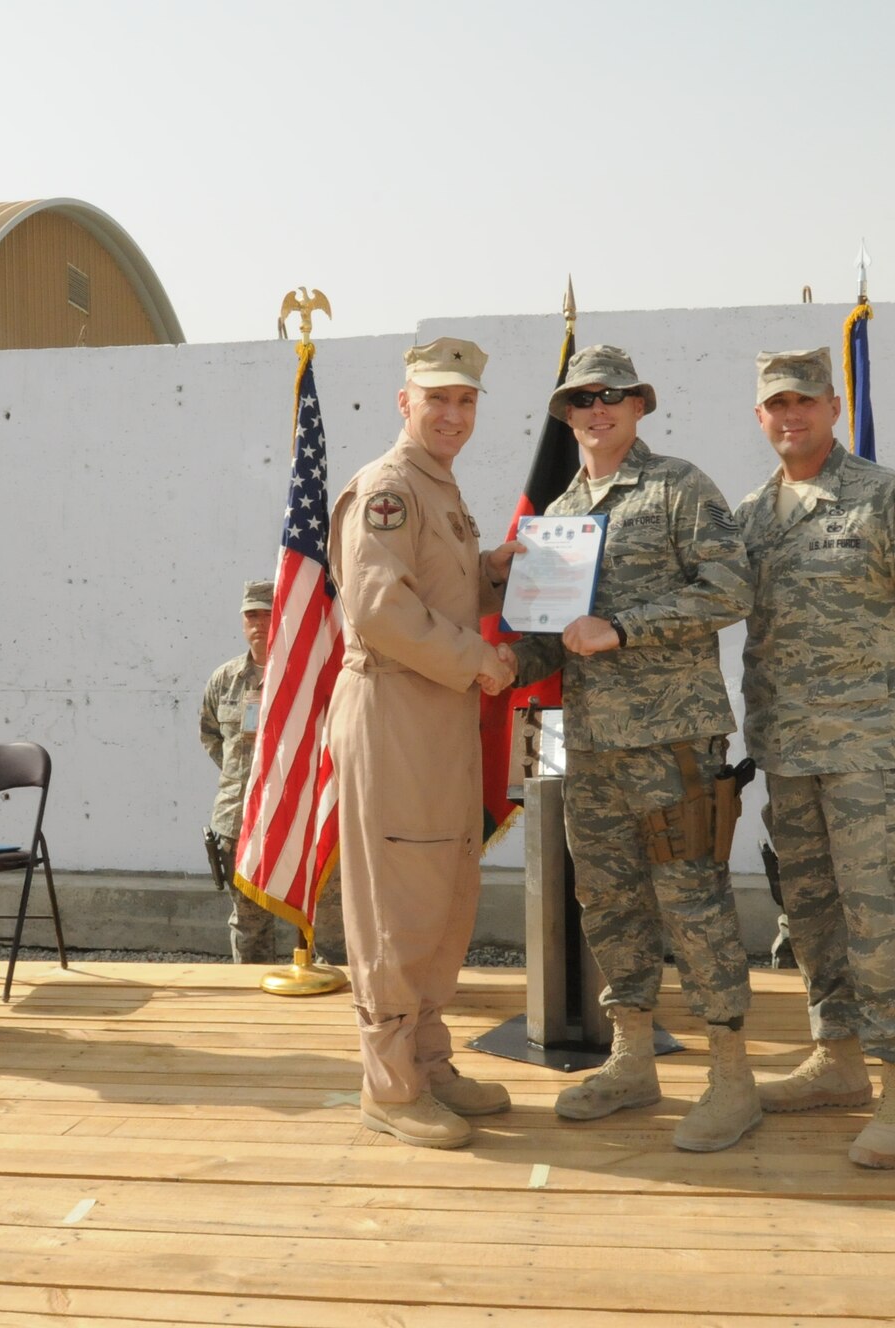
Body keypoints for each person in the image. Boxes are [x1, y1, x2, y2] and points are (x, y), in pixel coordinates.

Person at [505, 345, 760, 1153]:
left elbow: (731, 588)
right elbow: (553, 640)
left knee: (693, 903)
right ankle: (631, 1057)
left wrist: (624, 627)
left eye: (613, 396)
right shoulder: (560, 514)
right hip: (590, 746)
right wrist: (502, 661)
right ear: (568, 414)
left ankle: (731, 1076)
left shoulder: (679, 487)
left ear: (640, 405)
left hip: (673, 742)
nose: (597, 409)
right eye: (581, 400)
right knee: (607, 903)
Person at [737, 347, 895, 1169]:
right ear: (759, 417)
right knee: (811, 915)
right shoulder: (752, 518)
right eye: (775, 405)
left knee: (880, 920)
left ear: (834, 407)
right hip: (788, 755)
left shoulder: (890, 501)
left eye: (805, 401)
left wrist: (877, 702)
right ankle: (837, 1060)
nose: (790, 416)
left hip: (870, 756)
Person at [328, 336, 520, 1149]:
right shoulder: (391, 490)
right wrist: (478, 657)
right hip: (395, 708)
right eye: (437, 397)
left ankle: (428, 1057)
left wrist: (512, 565)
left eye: (466, 400)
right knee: (397, 898)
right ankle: (392, 1088)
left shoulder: (440, 489)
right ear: (403, 401)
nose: (453, 413)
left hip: (436, 712)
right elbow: (380, 610)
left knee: (443, 882)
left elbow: (442, 584)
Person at [200, 577, 345, 964]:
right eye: (251, 615)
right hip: (239, 819)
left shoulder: (308, 677)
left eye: (267, 614)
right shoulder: (225, 679)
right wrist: (252, 783)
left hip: (303, 817)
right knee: (249, 924)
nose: (258, 623)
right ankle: (252, 1007)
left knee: (326, 925)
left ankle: (334, 1002)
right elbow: (212, 737)